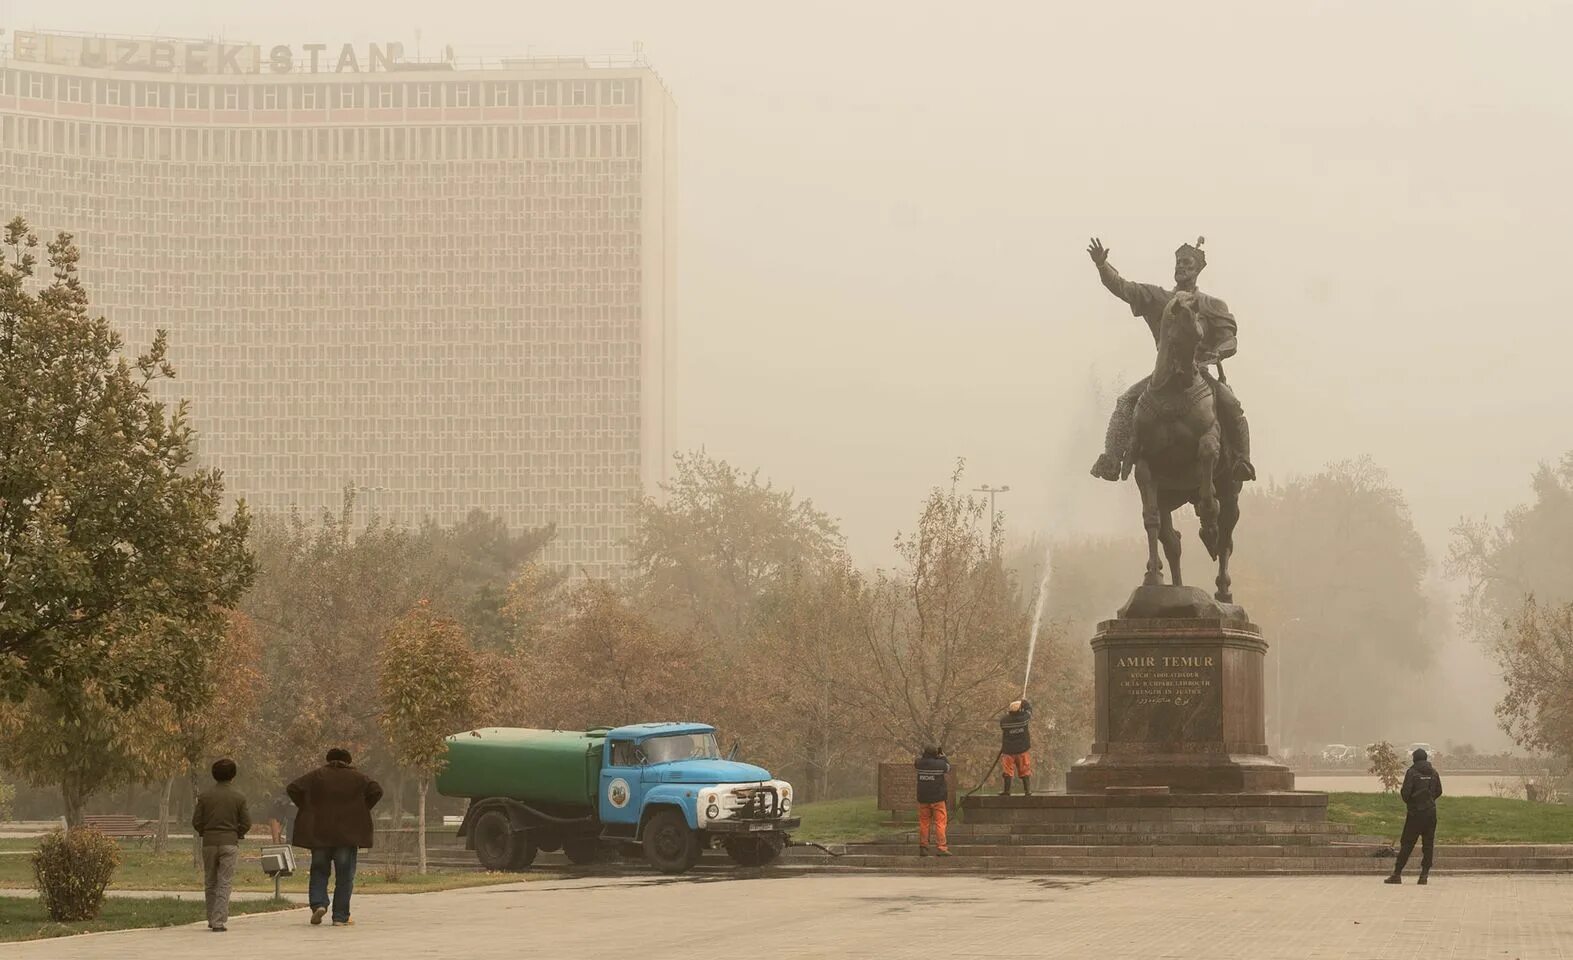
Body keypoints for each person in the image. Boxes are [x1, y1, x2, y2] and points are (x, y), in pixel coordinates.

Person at [1086, 237, 1255, 484]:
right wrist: (1103, 266)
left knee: (1232, 406)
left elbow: (1230, 340)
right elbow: (1124, 287)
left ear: (1197, 269)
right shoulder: (1158, 297)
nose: (1181, 267)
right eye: (1178, 263)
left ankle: (1242, 461)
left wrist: (1216, 354)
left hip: (1199, 373)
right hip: (1164, 372)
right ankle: (1112, 459)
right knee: (1125, 402)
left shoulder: (1212, 304)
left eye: (1187, 263)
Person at [288, 748, 384, 926]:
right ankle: (340, 917)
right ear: (348, 761)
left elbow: (293, 788)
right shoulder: (359, 778)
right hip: (347, 836)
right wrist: (361, 809)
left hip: (320, 834)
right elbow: (376, 790)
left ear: (328, 759)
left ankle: (318, 904)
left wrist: (309, 807)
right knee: (345, 876)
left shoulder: (316, 775)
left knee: (319, 871)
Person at [192, 757, 250, 933]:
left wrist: (205, 831)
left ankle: (211, 918)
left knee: (210, 881)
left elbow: (196, 821)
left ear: (213, 775)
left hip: (209, 843)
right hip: (229, 843)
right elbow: (246, 822)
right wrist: (237, 833)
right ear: (233, 775)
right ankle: (218, 921)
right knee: (224, 882)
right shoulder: (239, 797)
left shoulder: (204, 796)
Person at [1386, 748, 1444, 885]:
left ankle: (1397, 874)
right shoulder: (1434, 773)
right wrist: (1429, 801)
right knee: (1428, 845)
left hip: (1415, 814)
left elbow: (1405, 793)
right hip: (1430, 814)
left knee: (1407, 843)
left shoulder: (1411, 772)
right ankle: (1424, 875)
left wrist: (1414, 803)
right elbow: (1439, 791)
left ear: (1414, 759)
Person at [914, 746, 951, 857]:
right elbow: (948, 768)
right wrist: (943, 757)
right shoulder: (939, 764)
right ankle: (941, 847)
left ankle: (923, 846)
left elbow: (919, 760)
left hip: (923, 799)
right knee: (940, 823)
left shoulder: (919, 763)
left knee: (924, 823)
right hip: (938, 799)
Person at [999, 698, 1033, 796]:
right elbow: (1029, 711)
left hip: (1008, 751)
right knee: (1025, 770)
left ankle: (1007, 791)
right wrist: (1025, 703)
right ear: (1020, 709)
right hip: (1022, 750)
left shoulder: (1004, 721)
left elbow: (1003, 726)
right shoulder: (1023, 719)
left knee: (1007, 771)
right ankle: (1027, 791)